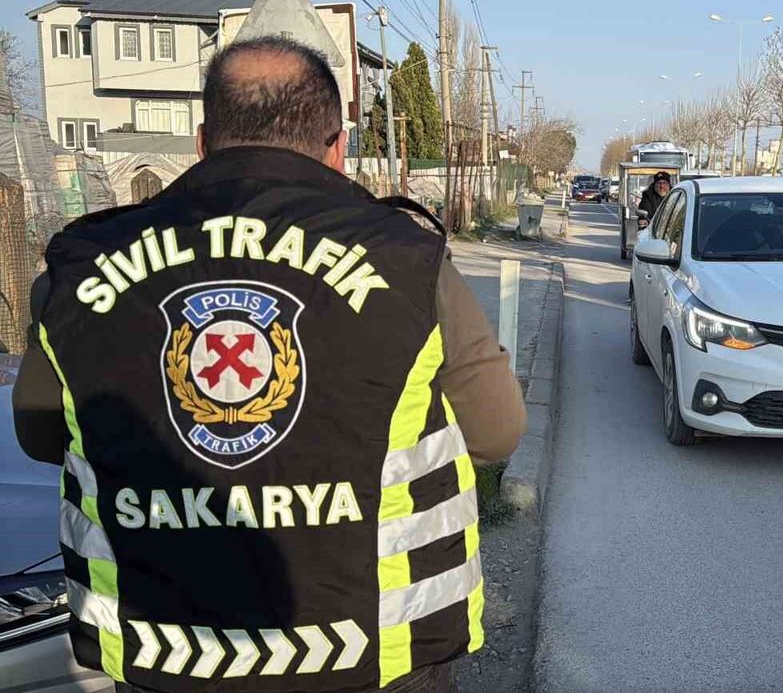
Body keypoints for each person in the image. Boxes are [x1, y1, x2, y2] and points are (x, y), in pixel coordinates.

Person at [11, 36, 525, 693]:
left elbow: (40, 435)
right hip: (374, 662)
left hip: (163, 662)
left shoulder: (82, 267)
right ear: (338, 146)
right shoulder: (407, 259)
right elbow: (496, 433)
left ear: (202, 142)